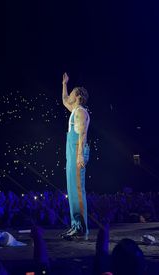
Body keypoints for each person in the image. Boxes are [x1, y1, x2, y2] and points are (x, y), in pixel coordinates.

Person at [61, 72, 90, 240]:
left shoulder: (81, 112)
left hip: (77, 150)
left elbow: (82, 134)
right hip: (71, 151)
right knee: (72, 191)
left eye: (72, 91)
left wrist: (79, 156)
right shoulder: (75, 109)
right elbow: (65, 100)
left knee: (78, 191)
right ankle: (75, 225)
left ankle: (82, 229)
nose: (70, 94)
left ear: (78, 96)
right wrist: (64, 84)